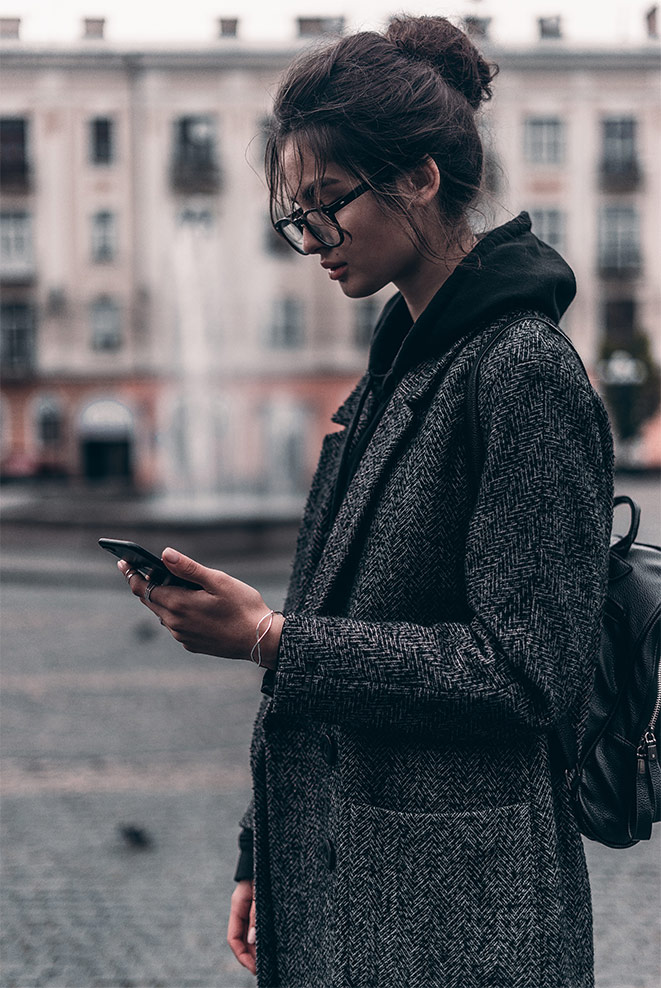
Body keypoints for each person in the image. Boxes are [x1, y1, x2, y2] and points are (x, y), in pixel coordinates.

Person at [119, 15, 614, 988]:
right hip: (347, 889)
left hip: (463, 918)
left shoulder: (520, 374)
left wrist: (268, 637)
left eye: (327, 204)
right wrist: (263, 848)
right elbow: (346, 623)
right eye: (294, 214)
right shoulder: (391, 376)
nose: (309, 239)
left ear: (421, 178)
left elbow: (526, 673)